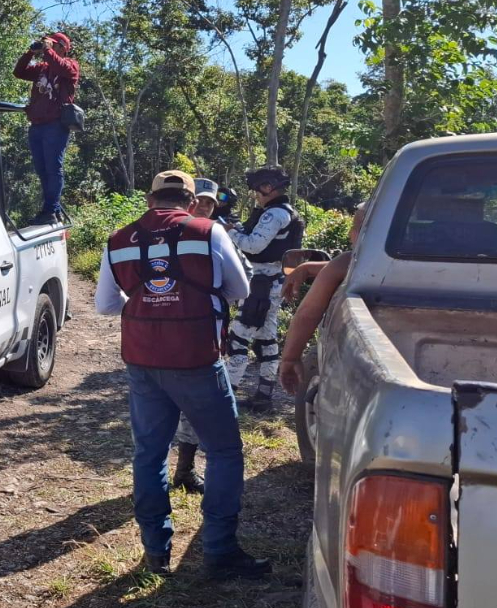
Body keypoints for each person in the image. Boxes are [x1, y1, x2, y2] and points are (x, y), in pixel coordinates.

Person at [95, 170, 270, 579]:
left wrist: (148, 299)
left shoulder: (120, 239)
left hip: (141, 360)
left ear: (150, 199)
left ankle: (156, 553)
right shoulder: (209, 231)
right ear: (191, 202)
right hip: (195, 358)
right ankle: (219, 550)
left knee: (149, 453)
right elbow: (239, 290)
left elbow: (105, 304)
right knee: (224, 451)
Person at [224, 165, 305, 413]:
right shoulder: (280, 212)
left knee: (239, 338)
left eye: (257, 189)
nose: (255, 195)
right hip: (272, 283)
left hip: (261, 283)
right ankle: (264, 394)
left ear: (268, 187)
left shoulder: (274, 214)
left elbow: (254, 246)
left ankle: (226, 394)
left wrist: (229, 234)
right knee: (266, 339)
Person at [278, 203, 366, 394]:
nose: (350, 234)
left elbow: (307, 314)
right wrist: (308, 267)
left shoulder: (350, 262)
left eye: (355, 228)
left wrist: (290, 358)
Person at [171, 177, 220, 494]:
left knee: (193, 410)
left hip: (203, 338)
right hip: (166, 337)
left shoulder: (219, 236)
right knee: (163, 410)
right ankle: (157, 478)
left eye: (209, 202)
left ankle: (184, 470)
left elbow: (241, 282)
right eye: (198, 200)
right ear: (188, 202)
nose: (203, 206)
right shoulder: (165, 235)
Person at [13, 32, 80, 224]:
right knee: (41, 169)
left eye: (51, 42)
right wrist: (29, 53)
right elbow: (19, 72)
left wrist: (48, 50)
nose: (46, 44)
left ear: (61, 46)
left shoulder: (71, 65)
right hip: (37, 125)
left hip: (56, 125)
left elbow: (61, 67)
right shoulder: (42, 68)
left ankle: (50, 209)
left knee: (53, 167)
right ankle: (51, 209)